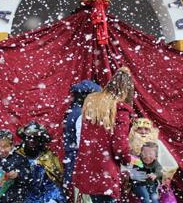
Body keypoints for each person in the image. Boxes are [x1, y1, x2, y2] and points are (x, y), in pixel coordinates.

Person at [73, 67, 135, 202]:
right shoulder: (121, 110)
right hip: (106, 170)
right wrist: (128, 160)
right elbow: (119, 147)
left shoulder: (92, 106)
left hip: (88, 168)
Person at [63, 79, 101, 195]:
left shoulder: (74, 111)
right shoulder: (81, 114)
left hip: (73, 157)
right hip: (78, 160)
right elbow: (82, 142)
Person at [15, 121, 65, 203]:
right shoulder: (16, 156)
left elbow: (54, 185)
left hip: (44, 197)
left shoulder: (49, 157)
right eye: (29, 137)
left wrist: (53, 199)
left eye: (35, 138)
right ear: (24, 138)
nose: (32, 141)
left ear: (41, 140)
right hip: (21, 197)